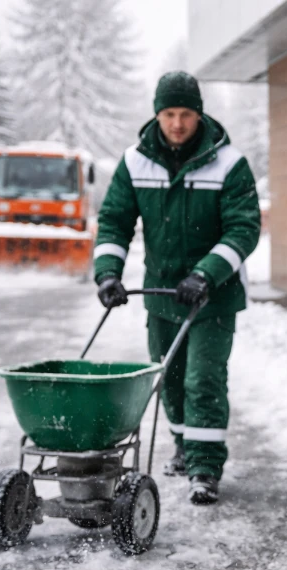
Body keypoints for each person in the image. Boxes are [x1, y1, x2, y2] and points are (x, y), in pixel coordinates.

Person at [94, 71, 261, 505]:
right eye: (169, 113)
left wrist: (205, 273)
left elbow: (244, 229)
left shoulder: (228, 162)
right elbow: (114, 220)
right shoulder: (135, 162)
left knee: (203, 379)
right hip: (163, 295)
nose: (177, 123)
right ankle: (185, 449)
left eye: (185, 113)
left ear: (198, 113)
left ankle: (205, 468)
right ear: (157, 114)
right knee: (167, 378)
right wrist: (107, 273)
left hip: (214, 294)